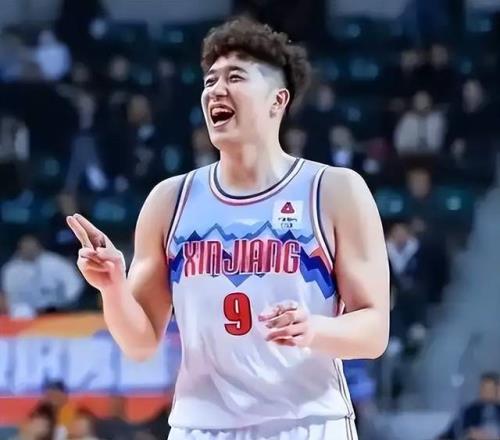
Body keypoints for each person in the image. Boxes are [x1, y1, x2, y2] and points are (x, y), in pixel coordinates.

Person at [66, 17, 390, 440]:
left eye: (235, 77)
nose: (216, 90)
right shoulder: (170, 200)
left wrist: (315, 329)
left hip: (305, 422)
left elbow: (374, 331)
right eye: (210, 81)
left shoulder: (332, 190)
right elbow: (140, 342)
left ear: (278, 100)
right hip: (202, 425)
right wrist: (112, 286)